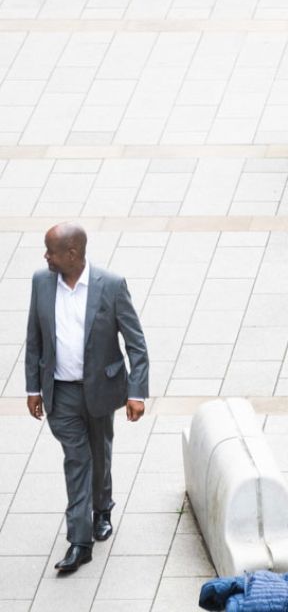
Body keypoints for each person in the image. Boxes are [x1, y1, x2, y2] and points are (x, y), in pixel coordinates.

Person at [24, 223, 149, 576]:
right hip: (60, 392)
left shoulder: (110, 286)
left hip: (101, 389)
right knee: (77, 459)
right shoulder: (41, 282)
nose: (45, 256)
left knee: (100, 450)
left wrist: (136, 392)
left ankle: (102, 507)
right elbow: (34, 337)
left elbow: (136, 344)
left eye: (51, 251)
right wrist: (33, 388)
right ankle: (80, 541)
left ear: (73, 254)